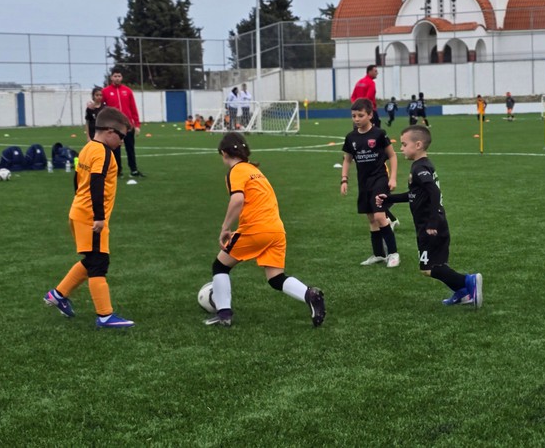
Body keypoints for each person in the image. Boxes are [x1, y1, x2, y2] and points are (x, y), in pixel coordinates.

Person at [205, 132, 327, 328]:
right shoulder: (254, 170)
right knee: (276, 278)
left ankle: (224, 314)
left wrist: (225, 228)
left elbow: (237, 199)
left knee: (220, 266)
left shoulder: (236, 171)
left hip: (256, 229)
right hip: (276, 229)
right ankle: (310, 294)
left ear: (223, 153)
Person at [43, 107, 136, 328]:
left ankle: (58, 294)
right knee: (99, 264)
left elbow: (77, 179)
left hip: (79, 212)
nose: (122, 141)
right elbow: (96, 183)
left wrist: (80, 203)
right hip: (91, 217)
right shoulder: (103, 153)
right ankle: (105, 315)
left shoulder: (87, 148)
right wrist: (99, 217)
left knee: (91, 260)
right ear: (110, 131)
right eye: (121, 136)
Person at [376, 125, 483, 308]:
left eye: (404, 144)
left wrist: (432, 222)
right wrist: (390, 198)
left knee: (428, 268)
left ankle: (468, 281)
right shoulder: (423, 165)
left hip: (430, 225)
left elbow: (433, 191)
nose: (401, 148)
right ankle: (463, 293)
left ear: (418, 145)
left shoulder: (420, 168)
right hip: (434, 223)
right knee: (438, 265)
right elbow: (416, 195)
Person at [341, 99, 401, 267]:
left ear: (370, 115)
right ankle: (379, 254)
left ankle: (393, 254)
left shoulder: (379, 134)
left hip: (379, 179)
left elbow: (392, 156)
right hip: (364, 182)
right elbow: (347, 160)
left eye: (360, 115)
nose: (356, 119)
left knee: (380, 216)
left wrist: (393, 178)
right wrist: (344, 179)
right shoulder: (351, 137)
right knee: (371, 219)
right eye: (354, 116)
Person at [101, 66, 144, 177]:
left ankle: (134, 170)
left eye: (119, 76)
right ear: (111, 77)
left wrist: (137, 124)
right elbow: (101, 108)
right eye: (115, 76)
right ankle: (117, 171)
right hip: (114, 126)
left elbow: (133, 108)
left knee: (130, 148)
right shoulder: (105, 92)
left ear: (122, 77)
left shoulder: (127, 91)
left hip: (127, 125)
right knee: (115, 149)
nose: (117, 78)